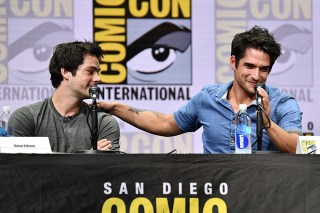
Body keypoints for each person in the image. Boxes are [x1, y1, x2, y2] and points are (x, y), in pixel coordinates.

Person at [96, 26, 303, 154]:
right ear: (233, 62)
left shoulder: (282, 103)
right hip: (217, 198)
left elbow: (296, 149)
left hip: (264, 197)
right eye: (249, 66)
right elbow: (165, 123)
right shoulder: (208, 98)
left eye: (264, 69)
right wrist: (115, 108)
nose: (256, 75)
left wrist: (267, 122)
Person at [8, 41, 120, 153]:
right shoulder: (25, 118)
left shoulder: (104, 122)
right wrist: (87, 158)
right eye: (90, 72)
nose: (98, 78)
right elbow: (20, 168)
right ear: (66, 72)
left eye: (98, 72)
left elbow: (107, 169)